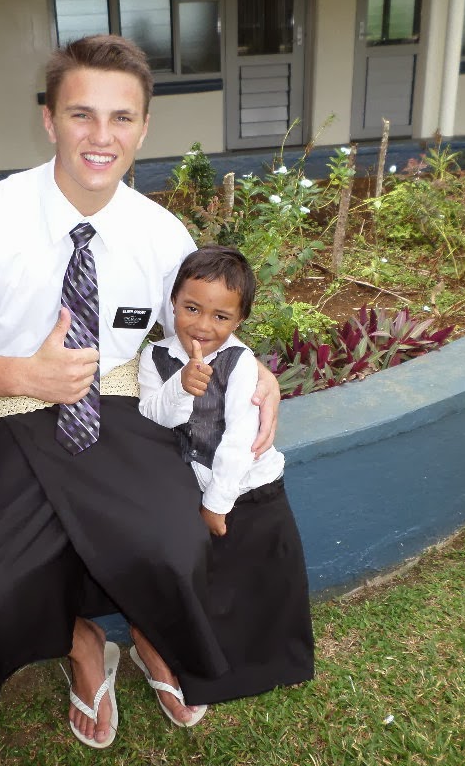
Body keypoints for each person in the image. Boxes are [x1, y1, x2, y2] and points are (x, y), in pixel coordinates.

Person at [0, 35, 282, 748]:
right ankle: (82, 647)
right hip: (9, 413)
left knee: (174, 543)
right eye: (82, 115)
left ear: (143, 128)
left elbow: (207, 325)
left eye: (121, 118)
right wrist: (24, 374)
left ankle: (152, 632)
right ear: (50, 120)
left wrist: (258, 376)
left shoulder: (162, 234)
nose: (101, 138)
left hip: (118, 408)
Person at [138, 245, 315, 703]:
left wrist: (217, 504)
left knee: (268, 579)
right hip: (200, 489)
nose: (202, 326)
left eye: (221, 317)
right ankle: (217, 670)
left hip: (254, 488)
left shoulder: (239, 364)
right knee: (218, 585)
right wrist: (181, 386)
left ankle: (281, 662)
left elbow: (239, 439)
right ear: (172, 301)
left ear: (238, 321)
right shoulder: (154, 358)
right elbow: (153, 415)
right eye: (191, 308)